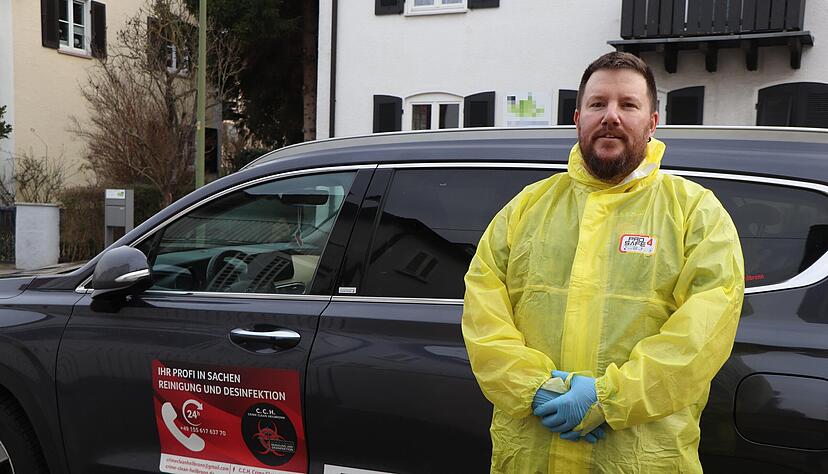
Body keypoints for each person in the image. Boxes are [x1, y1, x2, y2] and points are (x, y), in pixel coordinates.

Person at [461, 52, 744, 473]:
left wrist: (610, 398)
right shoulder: (525, 209)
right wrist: (533, 388)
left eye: (628, 104)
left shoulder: (695, 213)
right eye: (598, 104)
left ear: (652, 122)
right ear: (578, 119)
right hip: (530, 456)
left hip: (639, 459)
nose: (611, 116)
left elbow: (702, 335)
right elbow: (484, 316)